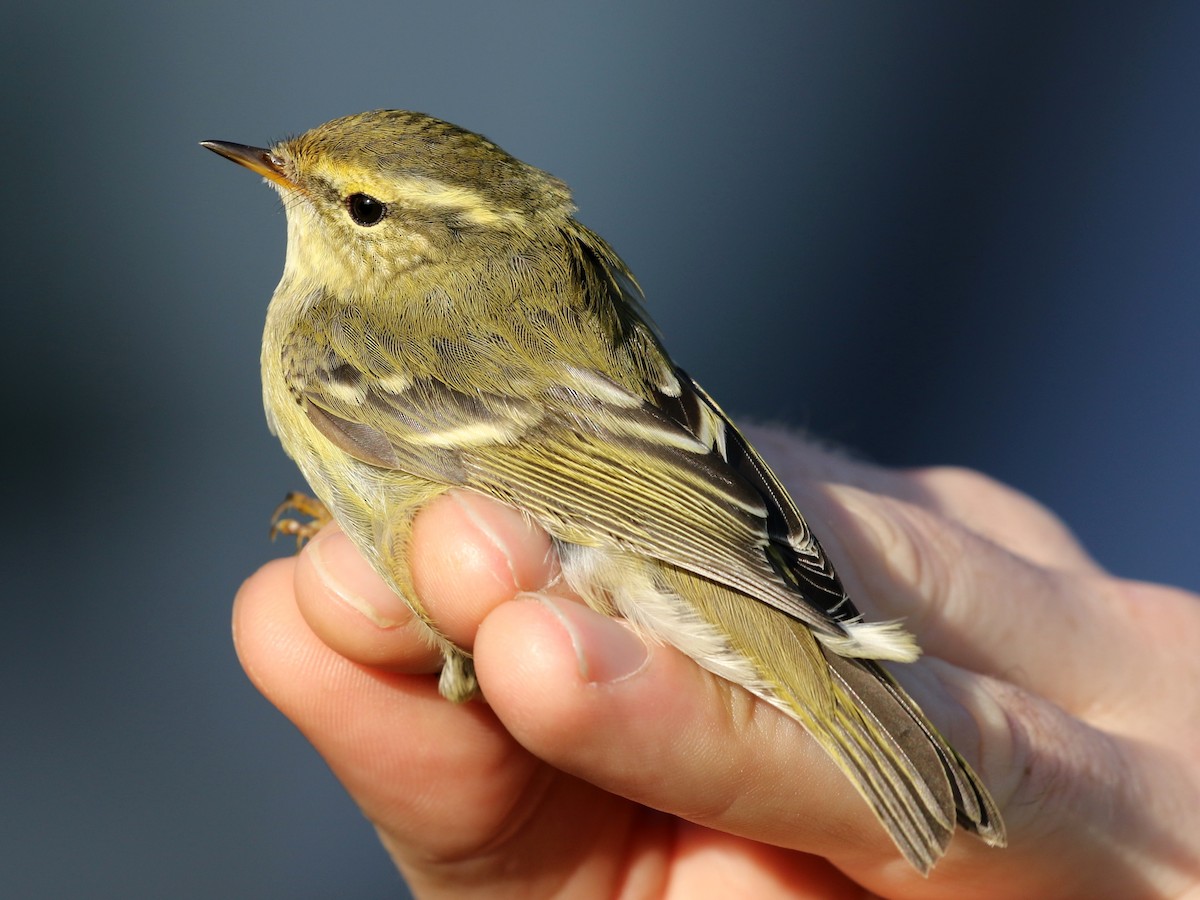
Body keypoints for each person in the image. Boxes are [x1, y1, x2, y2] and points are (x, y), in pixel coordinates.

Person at [233, 424, 1200, 898]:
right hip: (687, 502)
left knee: (478, 619)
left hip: (610, 525)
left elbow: (554, 460)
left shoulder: (328, 339)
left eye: (358, 207)